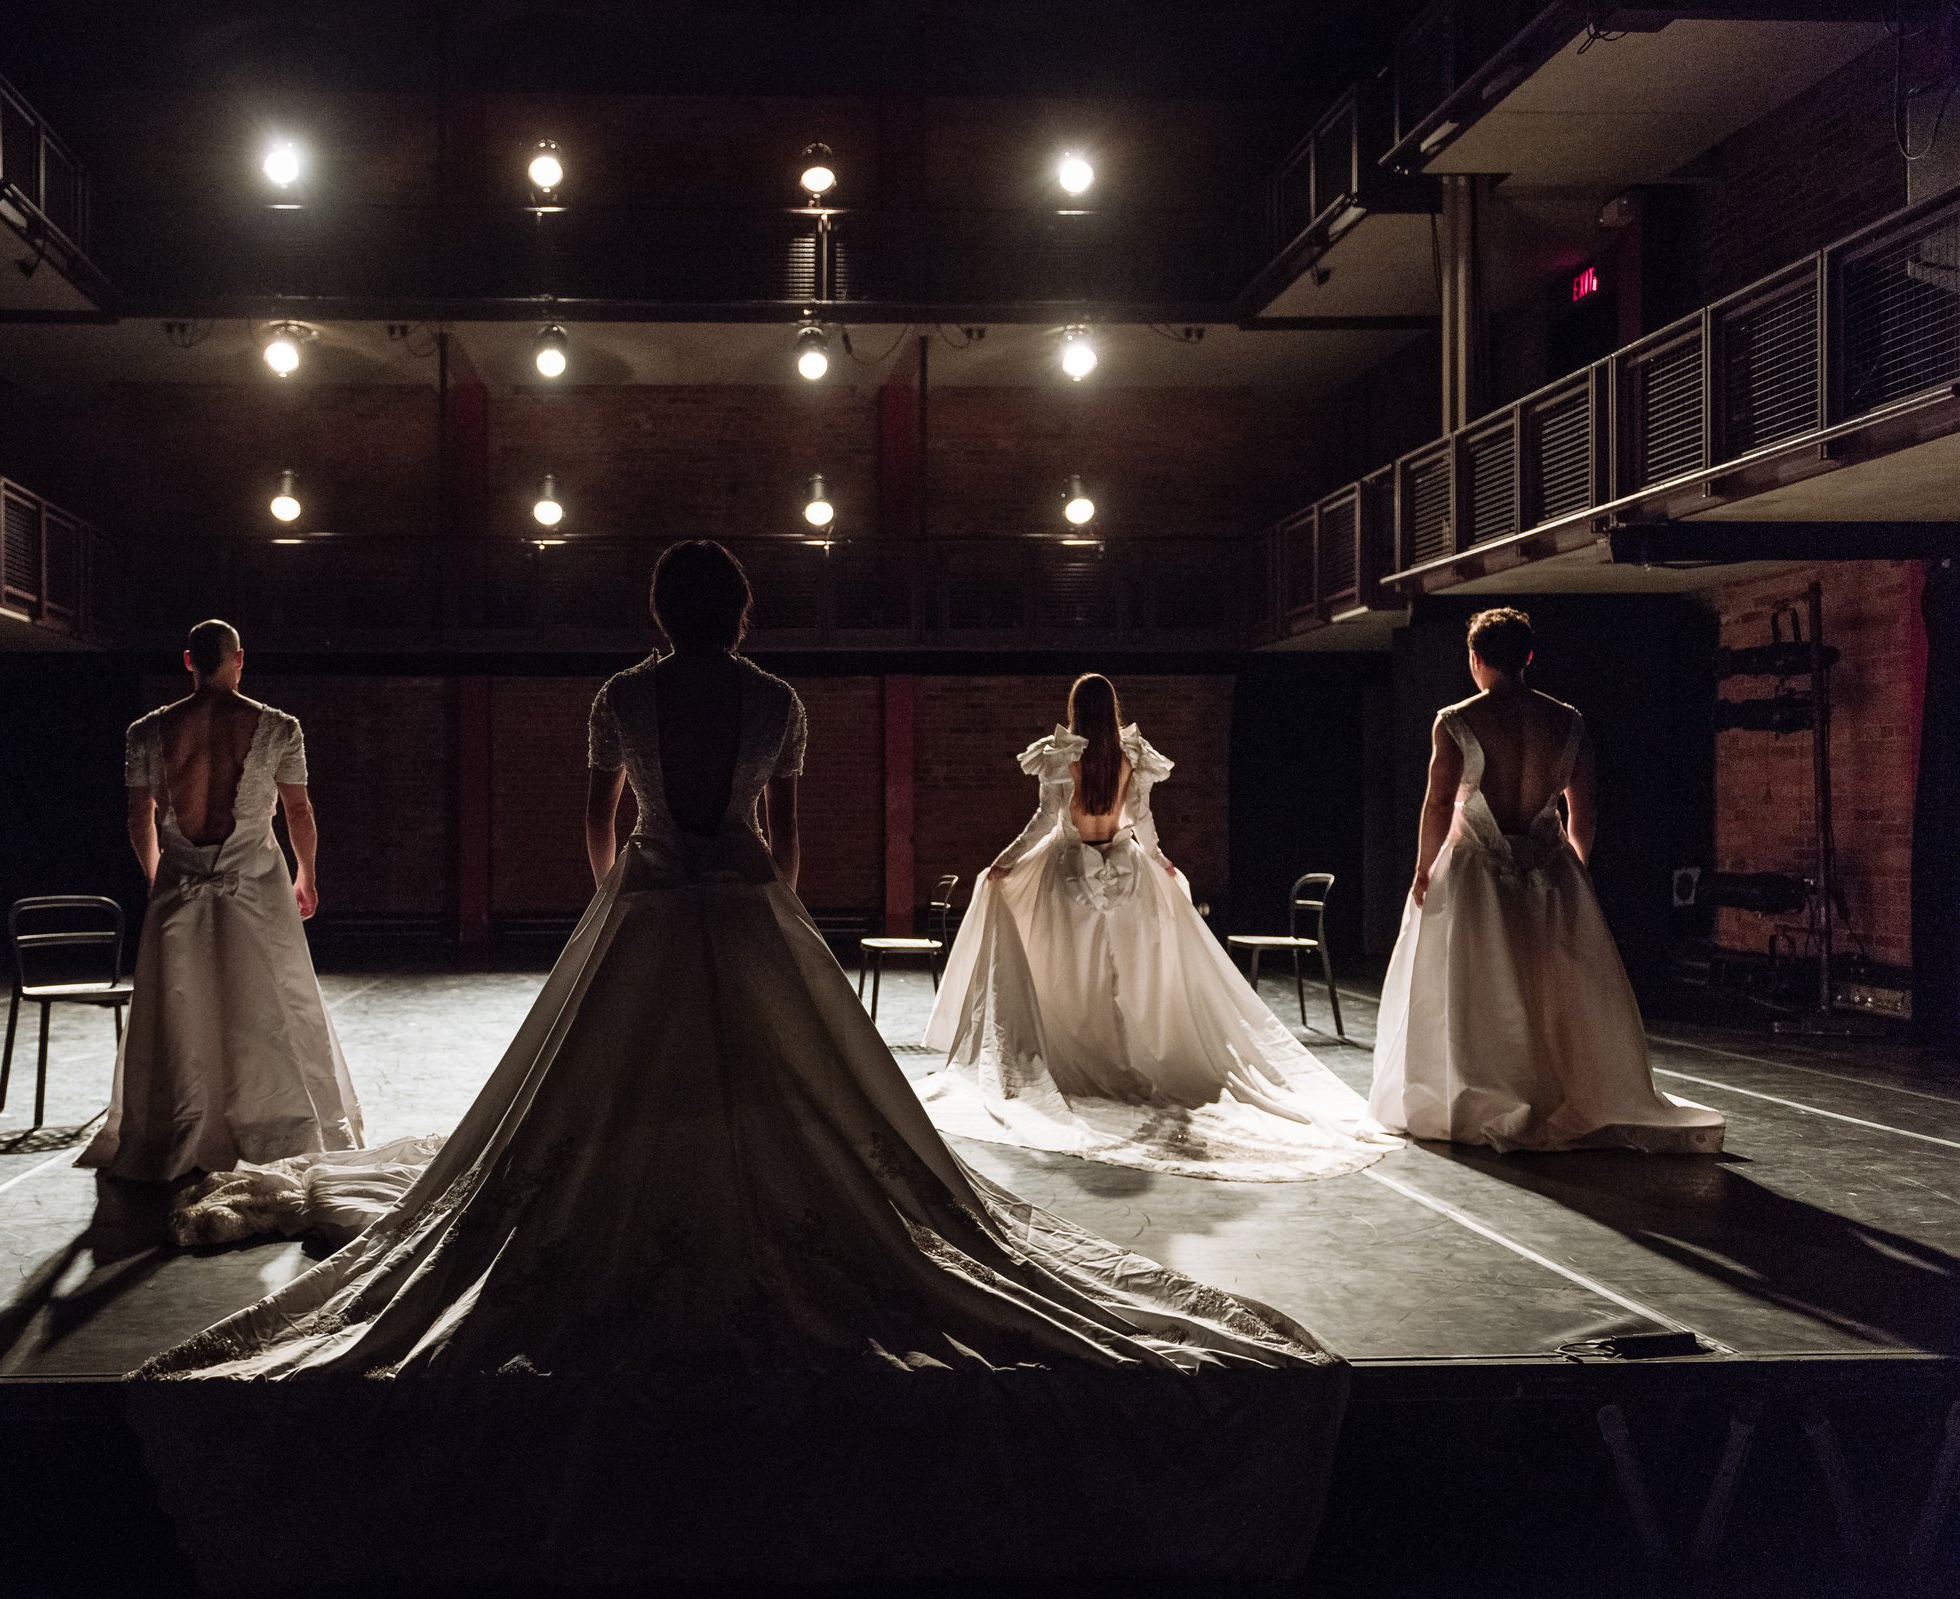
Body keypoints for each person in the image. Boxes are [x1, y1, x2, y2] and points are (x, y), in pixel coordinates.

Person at [130, 545, 1346, 1582]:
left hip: (653, 902)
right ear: (743, 614)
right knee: (802, 1104)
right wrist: (766, 906)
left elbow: (601, 820)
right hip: (744, 899)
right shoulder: (775, 700)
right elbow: (793, 839)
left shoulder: (620, 694)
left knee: (599, 1102)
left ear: (661, 614)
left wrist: (621, 888)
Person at [919, 674, 1391, 1181]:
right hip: (1127, 875)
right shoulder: (1132, 756)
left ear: (1075, 709)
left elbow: (1045, 818)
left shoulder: (1061, 756)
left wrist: (1004, 862)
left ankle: (1077, 1059)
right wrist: (1163, 863)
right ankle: (1124, 1057)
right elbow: (1141, 821)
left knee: (1070, 975)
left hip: (1067, 874)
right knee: (1124, 975)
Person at [1368, 608, 1723, 1153]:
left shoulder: (1455, 720)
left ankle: (1481, 1087)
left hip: (1474, 872)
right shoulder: (1567, 721)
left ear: (1476, 658)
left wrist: (1422, 867)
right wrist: (1571, 865)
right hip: (1549, 869)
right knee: (1547, 984)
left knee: (1477, 984)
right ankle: (1552, 1087)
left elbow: (1440, 800)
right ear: (1529, 657)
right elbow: (1584, 807)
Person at [76, 619, 364, 1182]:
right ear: (239, 660)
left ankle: (182, 1127)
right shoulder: (279, 727)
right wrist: (306, 875)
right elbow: (299, 813)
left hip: (178, 885)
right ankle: (278, 1122)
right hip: (256, 884)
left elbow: (140, 819)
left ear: (189, 660)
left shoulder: (145, 732)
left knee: (181, 1007)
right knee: (273, 1003)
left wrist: (162, 877)